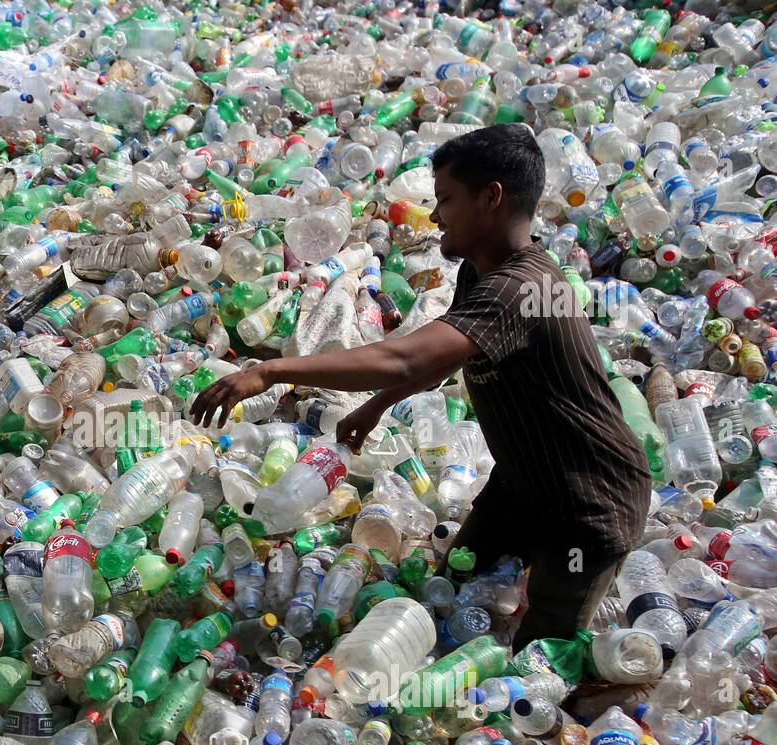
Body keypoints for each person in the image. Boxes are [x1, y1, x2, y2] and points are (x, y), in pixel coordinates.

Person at [188, 124, 651, 651]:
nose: (434, 217)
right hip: (524, 483)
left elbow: (404, 358)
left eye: (446, 200)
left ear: (491, 197)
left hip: (588, 504)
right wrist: (378, 406)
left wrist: (271, 371)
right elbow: (440, 357)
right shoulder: (485, 273)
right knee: (455, 581)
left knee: (538, 658)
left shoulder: (517, 288)